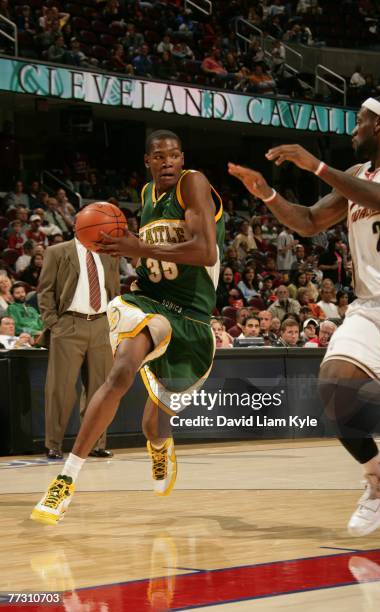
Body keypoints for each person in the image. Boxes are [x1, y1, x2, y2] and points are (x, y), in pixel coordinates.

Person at [228, 95, 380, 539]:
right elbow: (309, 221)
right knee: (334, 386)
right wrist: (267, 194)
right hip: (369, 305)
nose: (354, 129)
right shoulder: (352, 178)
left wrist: (316, 167)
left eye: (360, 121)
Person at [32, 130, 224, 524]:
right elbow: (151, 257)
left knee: (154, 424)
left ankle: (159, 446)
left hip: (192, 317)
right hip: (150, 302)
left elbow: (204, 252)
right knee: (120, 373)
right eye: (159, 156)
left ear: (182, 158)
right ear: (148, 162)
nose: (168, 161)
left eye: (174, 155)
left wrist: (140, 247)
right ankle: (66, 479)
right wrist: (135, 251)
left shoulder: (194, 183)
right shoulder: (145, 197)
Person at [35, 221, 120, 461]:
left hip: (102, 324)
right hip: (69, 324)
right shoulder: (57, 251)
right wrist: (54, 324)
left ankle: (96, 444)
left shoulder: (108, 256)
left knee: (101, 389)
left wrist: (114, 324)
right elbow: (45, 291)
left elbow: (113, 291)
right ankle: (54, 444)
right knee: (60, 389)